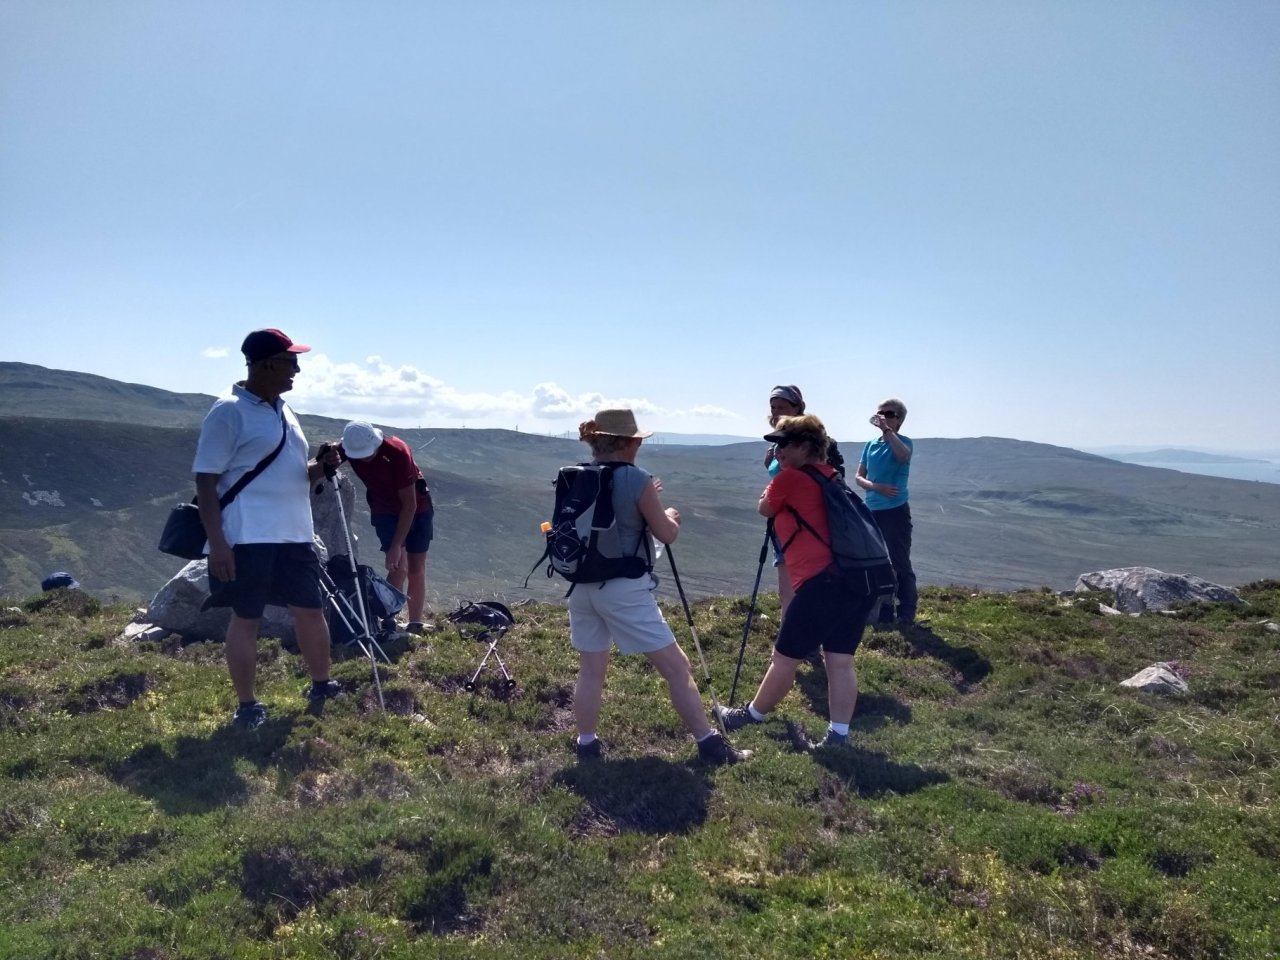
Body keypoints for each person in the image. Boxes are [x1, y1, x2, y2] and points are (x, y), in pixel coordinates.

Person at [568, 409, 747, 765]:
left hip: (581, 585)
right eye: (635, 439)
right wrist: (671, 517)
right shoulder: (636, 478)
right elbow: (666, 534)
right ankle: (710, 745)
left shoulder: (579, 475)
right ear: (625, 442)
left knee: (591, 669)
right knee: (678, 668)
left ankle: (586, 744)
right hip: (624, 589)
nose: (638, 444)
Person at [194, 328, 341, 730]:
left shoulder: (283, 410)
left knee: (311, 610)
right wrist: (219, 544)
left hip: (295, 533)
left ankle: (322, 684)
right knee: (247, 618)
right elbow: (206, 481)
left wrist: (322, 465)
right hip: (247, 536)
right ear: (266, 364)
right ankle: (247, 705)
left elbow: (297, 475)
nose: (297, 370)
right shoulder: (228, 411)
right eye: (291, 362)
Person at [718, 414, 876, 748]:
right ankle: (839, 735)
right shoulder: (833, 477)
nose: (777, 453)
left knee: (784, 658)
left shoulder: (790, 479)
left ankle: (749, 715)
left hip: (821, 585)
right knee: (840, 660)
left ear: (805, 446)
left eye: (783, 445)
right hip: (855, 580)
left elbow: (765, 508)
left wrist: (773, 484)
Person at [337, 421, 434, 633]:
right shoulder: (347, 449)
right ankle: (389, 620)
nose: (364, 458)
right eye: (358, 454)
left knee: (416, 568)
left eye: (367, 452)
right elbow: (325, 461)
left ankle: (415, 623)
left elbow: (409, 506)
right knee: (399, 567)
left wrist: (396, 545)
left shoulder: (398, 452)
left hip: (417, 509)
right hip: (384, 511)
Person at [762, 385, 844, 613]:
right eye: (773, 407)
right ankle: (799, 635)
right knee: (792, 581)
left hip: (801, 522)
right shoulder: (780, 442)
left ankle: (793, 639)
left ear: (797, 407)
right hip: (785, 516)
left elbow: (824, 477)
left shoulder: (806, 441)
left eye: (783, 407)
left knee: (795, 582)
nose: (777, 411)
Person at [853, 397, 917, 627]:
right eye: (880, 412)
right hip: (872, 508)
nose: (882, 416)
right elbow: (858, 476)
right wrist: (876, 487)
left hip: (895, 510)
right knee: (877, 561)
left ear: (899, 419)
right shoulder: (871, 445)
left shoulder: (904, 442)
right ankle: (884, 609)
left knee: (900, 560)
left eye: (889, 413)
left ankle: (907, 611)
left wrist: (887, 431)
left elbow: (902, 456)